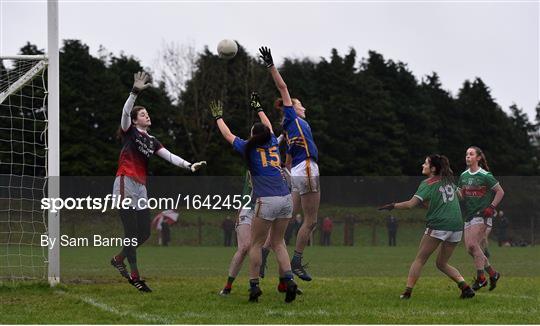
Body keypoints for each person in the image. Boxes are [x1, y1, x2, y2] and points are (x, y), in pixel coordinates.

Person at [109, 71, 206, 292]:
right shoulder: (129, 131)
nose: (147, 116)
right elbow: (125, 112)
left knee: (144, 233)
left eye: (147, 113)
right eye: (142, 114)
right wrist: (134, 92)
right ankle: (135, 276)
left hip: (141, 188)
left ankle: (118, 259)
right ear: (135, 120)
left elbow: (170, 156)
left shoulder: (152, 140)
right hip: (125, 183)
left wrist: (189, 165)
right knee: (132, 234)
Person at [210, 96, 298, 303]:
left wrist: (218, 117)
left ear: (252, 135)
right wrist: (259, 107)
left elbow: (227, 134)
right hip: (286, 198)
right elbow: (267, 124)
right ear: (267, 134)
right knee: (279, 243)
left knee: (256, 244)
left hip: (266, 200)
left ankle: (254, 286)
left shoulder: (248, 148)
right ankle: (290, 281)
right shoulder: (273, 143)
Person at [260, 46, 320, 282]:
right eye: (300, 104)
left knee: (284, 222)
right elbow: (282, 87)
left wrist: (284, 172)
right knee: (311, 220)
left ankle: (264, 252)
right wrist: (271, 66)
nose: (303, 106)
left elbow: (285, 156)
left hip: (297, 171)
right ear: (293, 107)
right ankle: (296, 260)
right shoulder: (293, 118)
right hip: (306, 168)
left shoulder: (291, 126)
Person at [379, 154, 475, 300]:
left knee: (420, 260)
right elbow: (460, 196)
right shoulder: (448, 181)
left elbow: (410, 204)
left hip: (439, 225)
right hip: (456, 226)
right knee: (442, 263)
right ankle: (465, 288)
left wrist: (393, 206)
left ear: (433, 168)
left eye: (425, 163)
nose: (422, 165)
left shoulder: (427, 183)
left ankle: (407, 293)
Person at [457, 146, 504, 291]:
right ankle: (493, 273)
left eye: (471, 154)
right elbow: (461, 196)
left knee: (473, 245)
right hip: (469, 216)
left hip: (482, 214)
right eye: (466, 154)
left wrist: (491, 207)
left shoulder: (485, 175)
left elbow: (500, 192)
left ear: (478, 158)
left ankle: (481, 278)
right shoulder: (463, 176)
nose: (467, 157)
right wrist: (454, 190)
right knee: (471, 250)